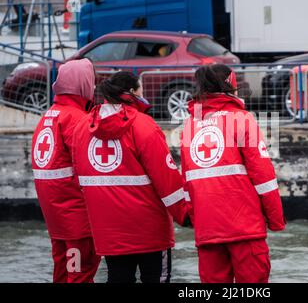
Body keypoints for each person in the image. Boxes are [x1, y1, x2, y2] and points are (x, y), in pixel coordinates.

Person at [71, 71, 190, 283]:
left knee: (118, 279)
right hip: (150, 231)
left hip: (109, 231)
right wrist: (186, 216)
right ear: (133, 92)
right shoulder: (143, 125)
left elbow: (80, 177)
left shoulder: (82, 128)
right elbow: (167, 180)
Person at [180, 64, 286, 283]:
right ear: (231, 86)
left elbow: (187, 181)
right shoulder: (241, 118)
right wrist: (275, 219)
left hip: (208, 229)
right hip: (244, 228)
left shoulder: (190, 125)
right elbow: (263, 175)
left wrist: (195, 219)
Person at [31, 58, 101, 283]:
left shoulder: (48, 116)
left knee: (62, 273)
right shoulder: (77, 119)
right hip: (78, 219)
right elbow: (89, 167)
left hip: (56, 219)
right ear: (83, 83)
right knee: (80, 275)